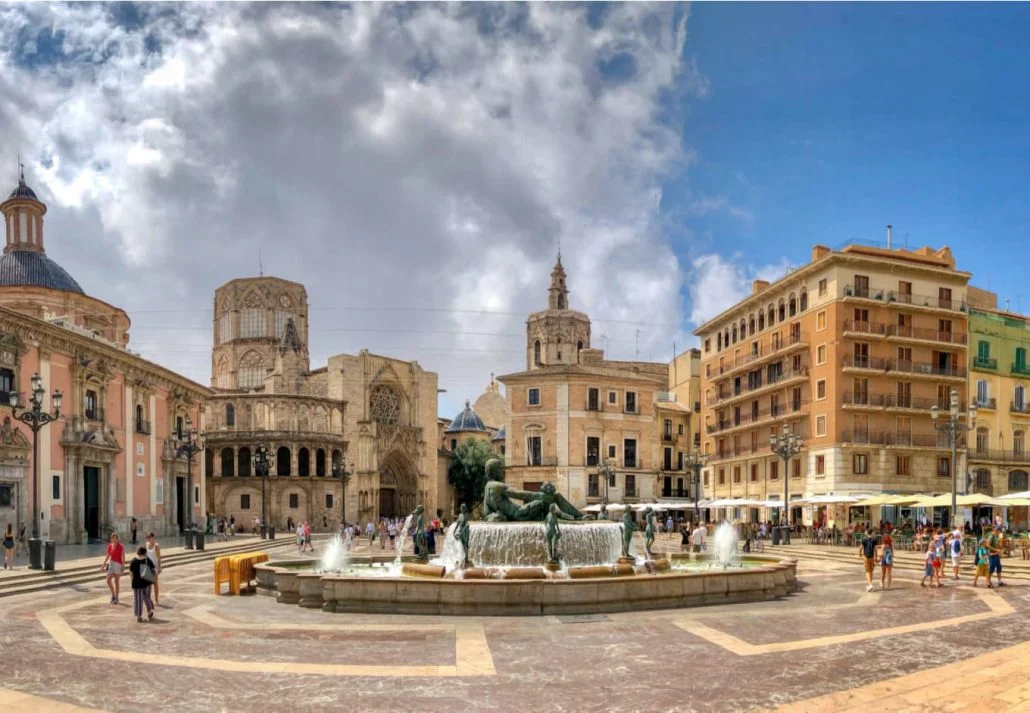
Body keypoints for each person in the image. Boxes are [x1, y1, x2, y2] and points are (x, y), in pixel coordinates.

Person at [128, 546, 155, 623]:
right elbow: (153, 569)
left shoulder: (133, 561)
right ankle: (149, 611)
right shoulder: (147, 560)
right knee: (147, 597)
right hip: (146, 582)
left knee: (138, 599)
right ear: (145, 553)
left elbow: (131, 572)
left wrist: (132, 581)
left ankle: (139, 616)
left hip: (136, 583)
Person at [101, 533, 125, 604]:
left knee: (116, 581)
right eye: (113, 538)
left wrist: (123, 566)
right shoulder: (110, 546)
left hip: (118, 564)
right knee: (108, 580)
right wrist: (103, 565)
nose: (114, 539)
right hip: (111, 563)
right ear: (111, 539)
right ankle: (113, 594)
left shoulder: (121, 546)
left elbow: (123, 556)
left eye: (115, 538)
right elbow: (108, 556)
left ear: (117, 539)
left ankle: (117, 597)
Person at [144, 532, 162, 606]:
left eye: (149, 537)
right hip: (147, 566)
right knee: (148, 584)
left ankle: (156, 599)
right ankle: (148, 599)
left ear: (153, 537)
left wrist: (159, 567)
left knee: (155, 583)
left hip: (154, 566)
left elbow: (158, 557)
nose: (148, 539)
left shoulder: (156, 546)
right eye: (147, 538)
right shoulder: (146, 544)